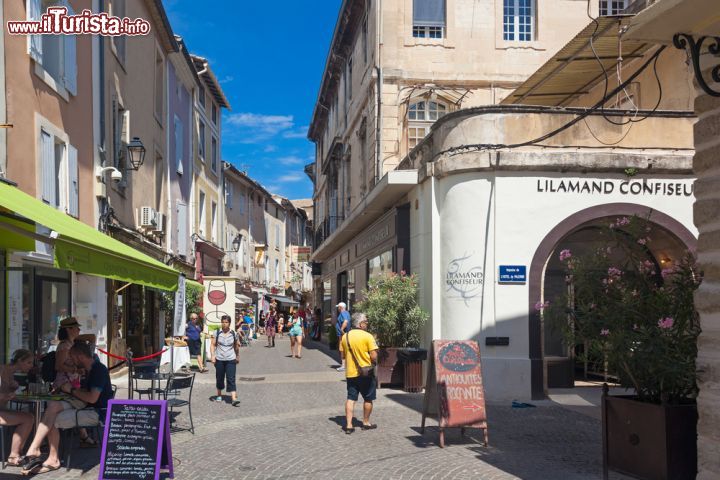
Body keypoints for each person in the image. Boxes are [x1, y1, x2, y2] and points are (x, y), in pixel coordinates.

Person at [22, 342, 113, 475]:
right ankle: (35, 448)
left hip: (97, 413)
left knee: (52, 418)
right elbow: (86, 394)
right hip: (86, 406)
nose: (70, 360)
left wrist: (71, 390)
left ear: (80, 356)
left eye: (72, 357)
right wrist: (68, 391)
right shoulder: (90, 369)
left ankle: (52, 458)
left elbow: (92, 398)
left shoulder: (98, 369)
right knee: (52, 406)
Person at [338, 313, 378, 434]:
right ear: (360, 324)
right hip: (366, 373)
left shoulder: (346, 337)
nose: (367, 324)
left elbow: (343, 354)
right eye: (366, 321)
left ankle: (349, 425)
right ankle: (366, 422)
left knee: (351, 398)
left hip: (351, 373)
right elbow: (374, 356)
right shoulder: (368, 336)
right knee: (368, 398)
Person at [0, 350, 35, 467]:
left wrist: (12, 389)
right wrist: (6, 395)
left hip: (2, 410)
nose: (31, 366)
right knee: (27, 418)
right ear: (20, 361)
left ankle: (15, 454)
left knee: (29, 417)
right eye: (29, 362)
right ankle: (14, 456)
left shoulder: (10, 374)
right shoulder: (1, 370)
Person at [210, 315, 240, 407]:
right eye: (223, 322)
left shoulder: (234, 333)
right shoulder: (217, 332)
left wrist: (237, 356)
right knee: (220, 377)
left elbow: (236, 346)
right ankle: (219, 394)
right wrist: (212, 356)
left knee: (231, 378)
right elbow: (212, 345)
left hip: (231, 359)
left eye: (226, 322)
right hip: (219, 359)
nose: (224, 324)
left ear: (229, 323)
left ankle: (234, 398)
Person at [335, 302, 351, 372]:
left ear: (340, 307)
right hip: (345, 334)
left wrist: (341, 329)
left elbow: (346, 321)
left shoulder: (343, 313)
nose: (338, 308)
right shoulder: (347, 313)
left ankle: (343, 366)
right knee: (344, 349)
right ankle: (345, 365)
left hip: (342, 335)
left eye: (338, 307)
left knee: (342, 350)